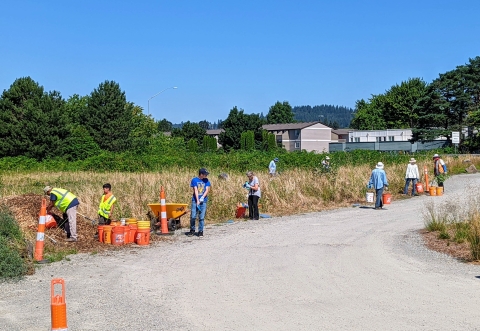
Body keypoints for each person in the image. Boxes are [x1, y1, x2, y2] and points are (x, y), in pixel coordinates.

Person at [188, 168, 211, 237]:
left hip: (203, 201)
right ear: (201, 174)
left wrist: (202, 197)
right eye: (205, 174)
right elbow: (195, 190)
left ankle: (200, 231)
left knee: (201, 217)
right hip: (195, 201)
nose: (206, 176)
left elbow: (207, 190)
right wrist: (197, 200)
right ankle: (192, 230)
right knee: (193, 216)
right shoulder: (194, 180)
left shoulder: (206, 180)